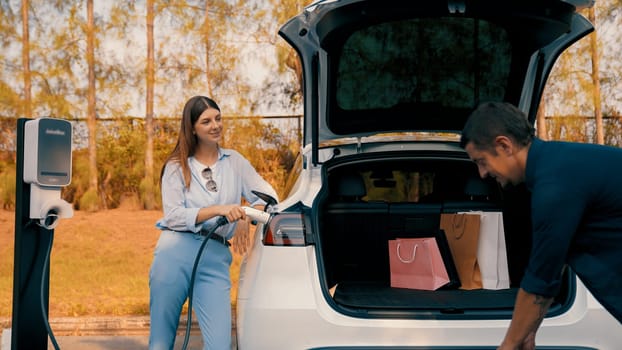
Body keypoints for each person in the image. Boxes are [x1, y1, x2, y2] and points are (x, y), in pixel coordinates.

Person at [460, 101, 622, 350]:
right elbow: (555, 262)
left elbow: (541, 278)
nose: (482, 173)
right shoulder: (556, 164)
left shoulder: (554, 186)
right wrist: (529, 330)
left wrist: (508, 345)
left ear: (504, 145)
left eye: (481, 161)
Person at [148, 95, 278, 350]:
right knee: (161, 343)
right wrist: (220, 210)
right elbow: (173, 215)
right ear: (193, 128)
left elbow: (269, 195)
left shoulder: (235, 162)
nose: (215, 125)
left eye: (218, 118)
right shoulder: (176, 166)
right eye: (206, 121)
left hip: (215, 258)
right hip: (174, 254)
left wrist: (245, 213)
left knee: (220, 344)